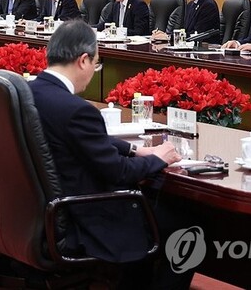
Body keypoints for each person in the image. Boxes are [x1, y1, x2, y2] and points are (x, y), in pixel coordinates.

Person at [29, 20, 188, 289]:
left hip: (40, 210)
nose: (93, 71)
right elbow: (118, 172)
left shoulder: (30, 92)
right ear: (82, 60)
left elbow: (80, 139)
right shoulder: (77, 110)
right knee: (186, 226)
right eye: (96, 64)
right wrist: (158, 158)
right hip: (83, 214)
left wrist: (135, 149)